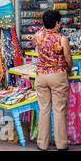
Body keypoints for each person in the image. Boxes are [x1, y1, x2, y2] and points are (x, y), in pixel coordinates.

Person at [32, 10, 72, 151]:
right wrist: (69, 69)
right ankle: (61, 144)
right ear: (56, 23)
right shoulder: (62, 39)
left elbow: (36, 41)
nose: (60, 24)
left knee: (44, 109)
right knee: (59, 110)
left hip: (41, 76)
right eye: (59, 21)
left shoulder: (37, 36)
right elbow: (67, 57)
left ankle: (42, 143)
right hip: (58, 75)